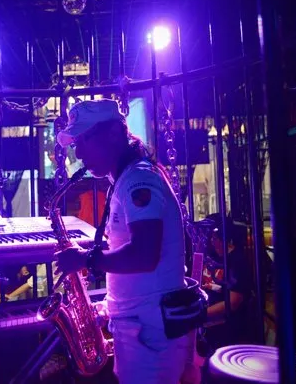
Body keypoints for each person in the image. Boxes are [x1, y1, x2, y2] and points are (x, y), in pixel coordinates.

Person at [53, 99, 191, 383]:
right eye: (75, 142)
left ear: (114, 133)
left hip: (150, 334)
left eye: (83, 140)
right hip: (141, 329)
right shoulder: (127, 179)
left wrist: (86, 259)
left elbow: (144, 255)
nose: (77, 152)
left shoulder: (139, 179)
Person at [200, 213, 253, 350]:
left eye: (214, 236)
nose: (211, 241)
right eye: (210, 236)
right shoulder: (210, 256)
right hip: (206, 324)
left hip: (225, 328)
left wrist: (200, 315)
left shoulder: (237, 261)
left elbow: (233, 302)